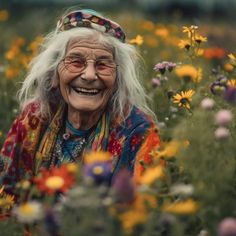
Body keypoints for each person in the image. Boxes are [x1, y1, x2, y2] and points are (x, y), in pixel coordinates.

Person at [0, 9, 160, 194]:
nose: (89, 75)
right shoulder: (33, 118)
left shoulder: (138, 131)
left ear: (117, 80)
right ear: (54, 74)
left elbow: (146, 211)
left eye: (103, 64)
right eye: (76, 62)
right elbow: (5, 198)